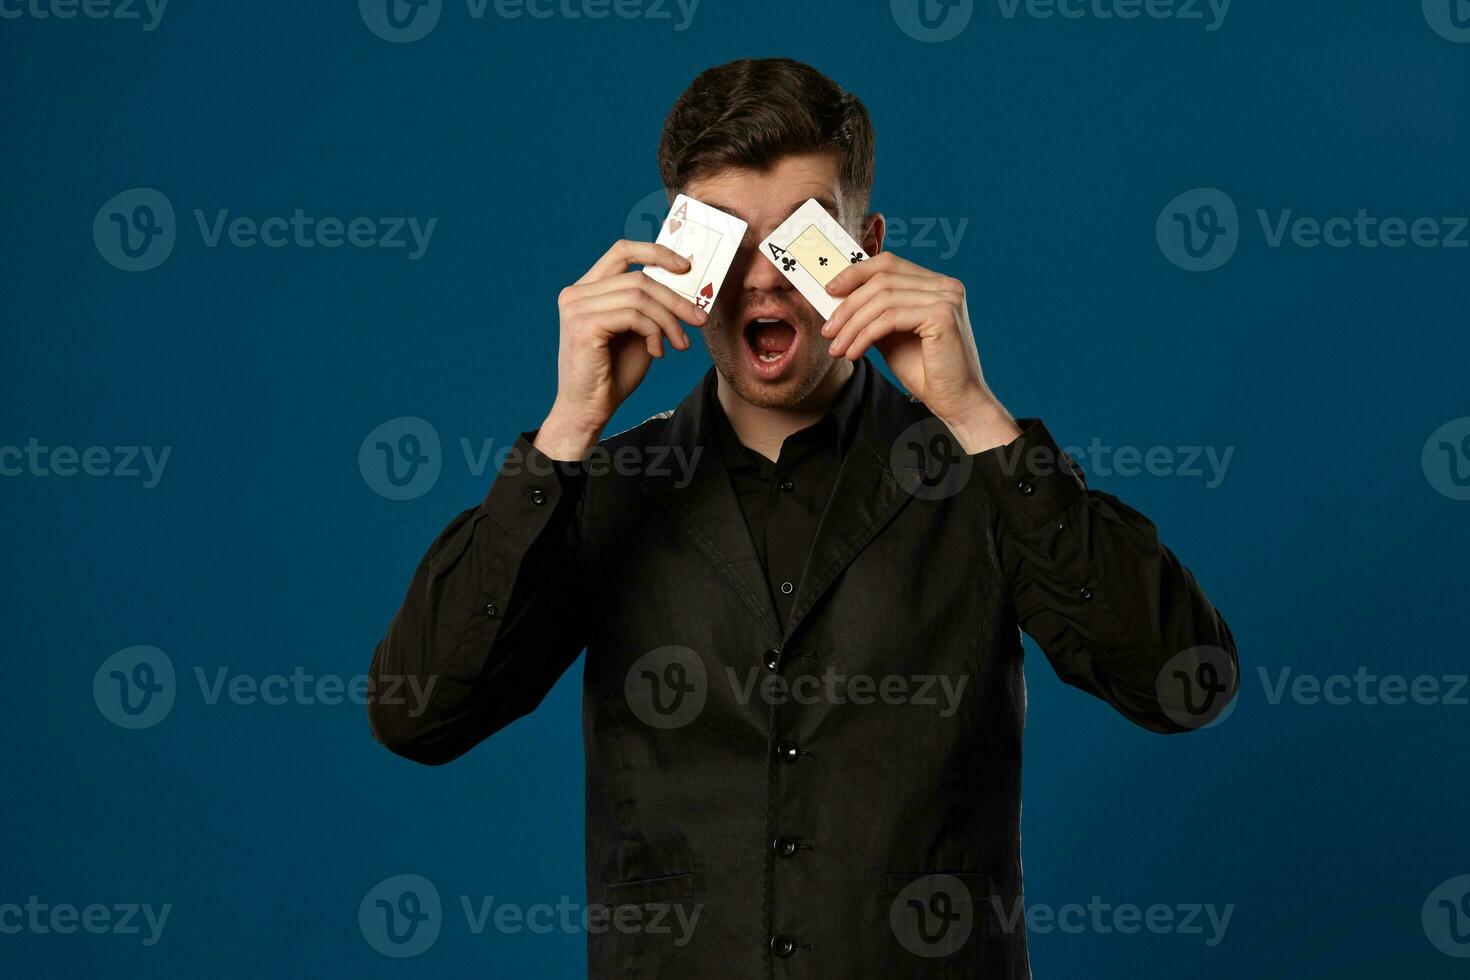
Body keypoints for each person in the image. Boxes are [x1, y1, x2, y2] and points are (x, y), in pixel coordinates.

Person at [368, 56, 1238, 978]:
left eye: (798, 242)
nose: (764, 282)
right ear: (680, 255)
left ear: (865, 246)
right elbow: (415, 713)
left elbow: (1187, 685)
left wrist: (977, 414)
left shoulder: (981, 478)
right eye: (729, 246)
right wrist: (568, 428)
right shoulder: (604, 486)